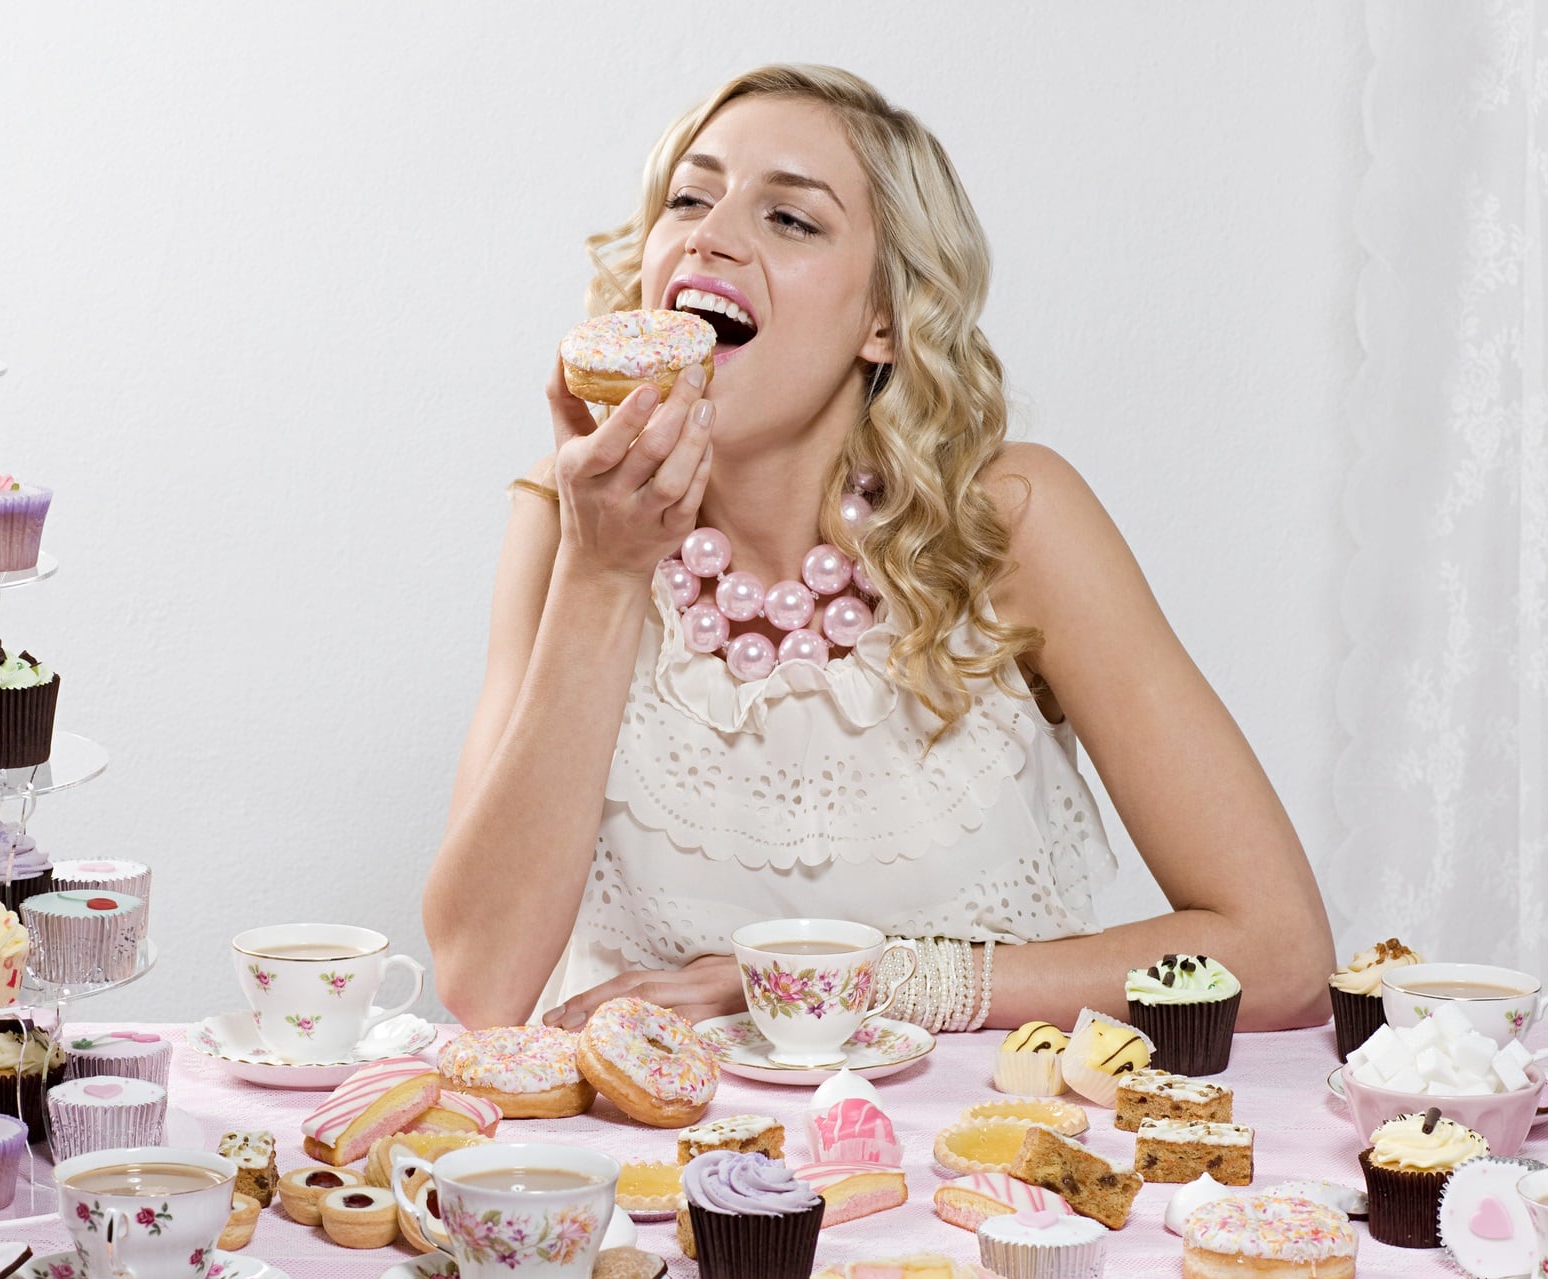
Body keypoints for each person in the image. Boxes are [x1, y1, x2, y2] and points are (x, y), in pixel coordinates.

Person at [421, 63, 1332, 1035]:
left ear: (884, 321)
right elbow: (482, 983)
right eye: (690, 197)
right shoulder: (567, 528)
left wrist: (834, 981)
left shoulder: (1013, 520)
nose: (711, 234)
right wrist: (604, 573)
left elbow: (1278, 950)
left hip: (982, 1155)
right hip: (659, 1163)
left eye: (791, 220)